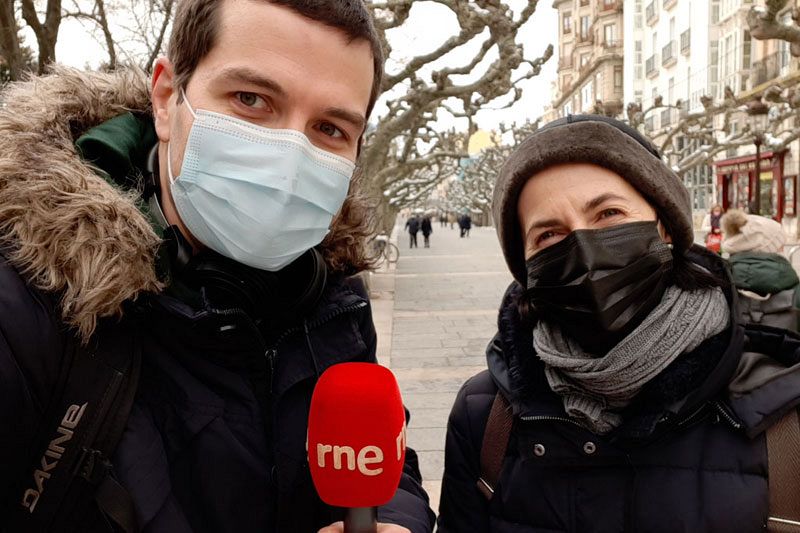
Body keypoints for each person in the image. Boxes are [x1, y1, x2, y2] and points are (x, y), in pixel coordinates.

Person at [0, 1, 435, 532]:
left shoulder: (333, 290)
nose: (289, 157)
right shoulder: (22, 300)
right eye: (251, 99)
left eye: (330, 128)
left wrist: (396, 520)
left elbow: (382, 457)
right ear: (166, 98)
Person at [438, 115, 800, 532]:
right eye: (548, 235)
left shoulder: (783, 414)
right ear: (527, 268)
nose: (585, 250)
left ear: (664, 226)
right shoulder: (485, 417)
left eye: (609, 213)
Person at [722, 210, 800, 331]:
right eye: (780, 245)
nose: (782, 249)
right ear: (769, 248)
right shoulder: (794, 287)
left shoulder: (719, 283)